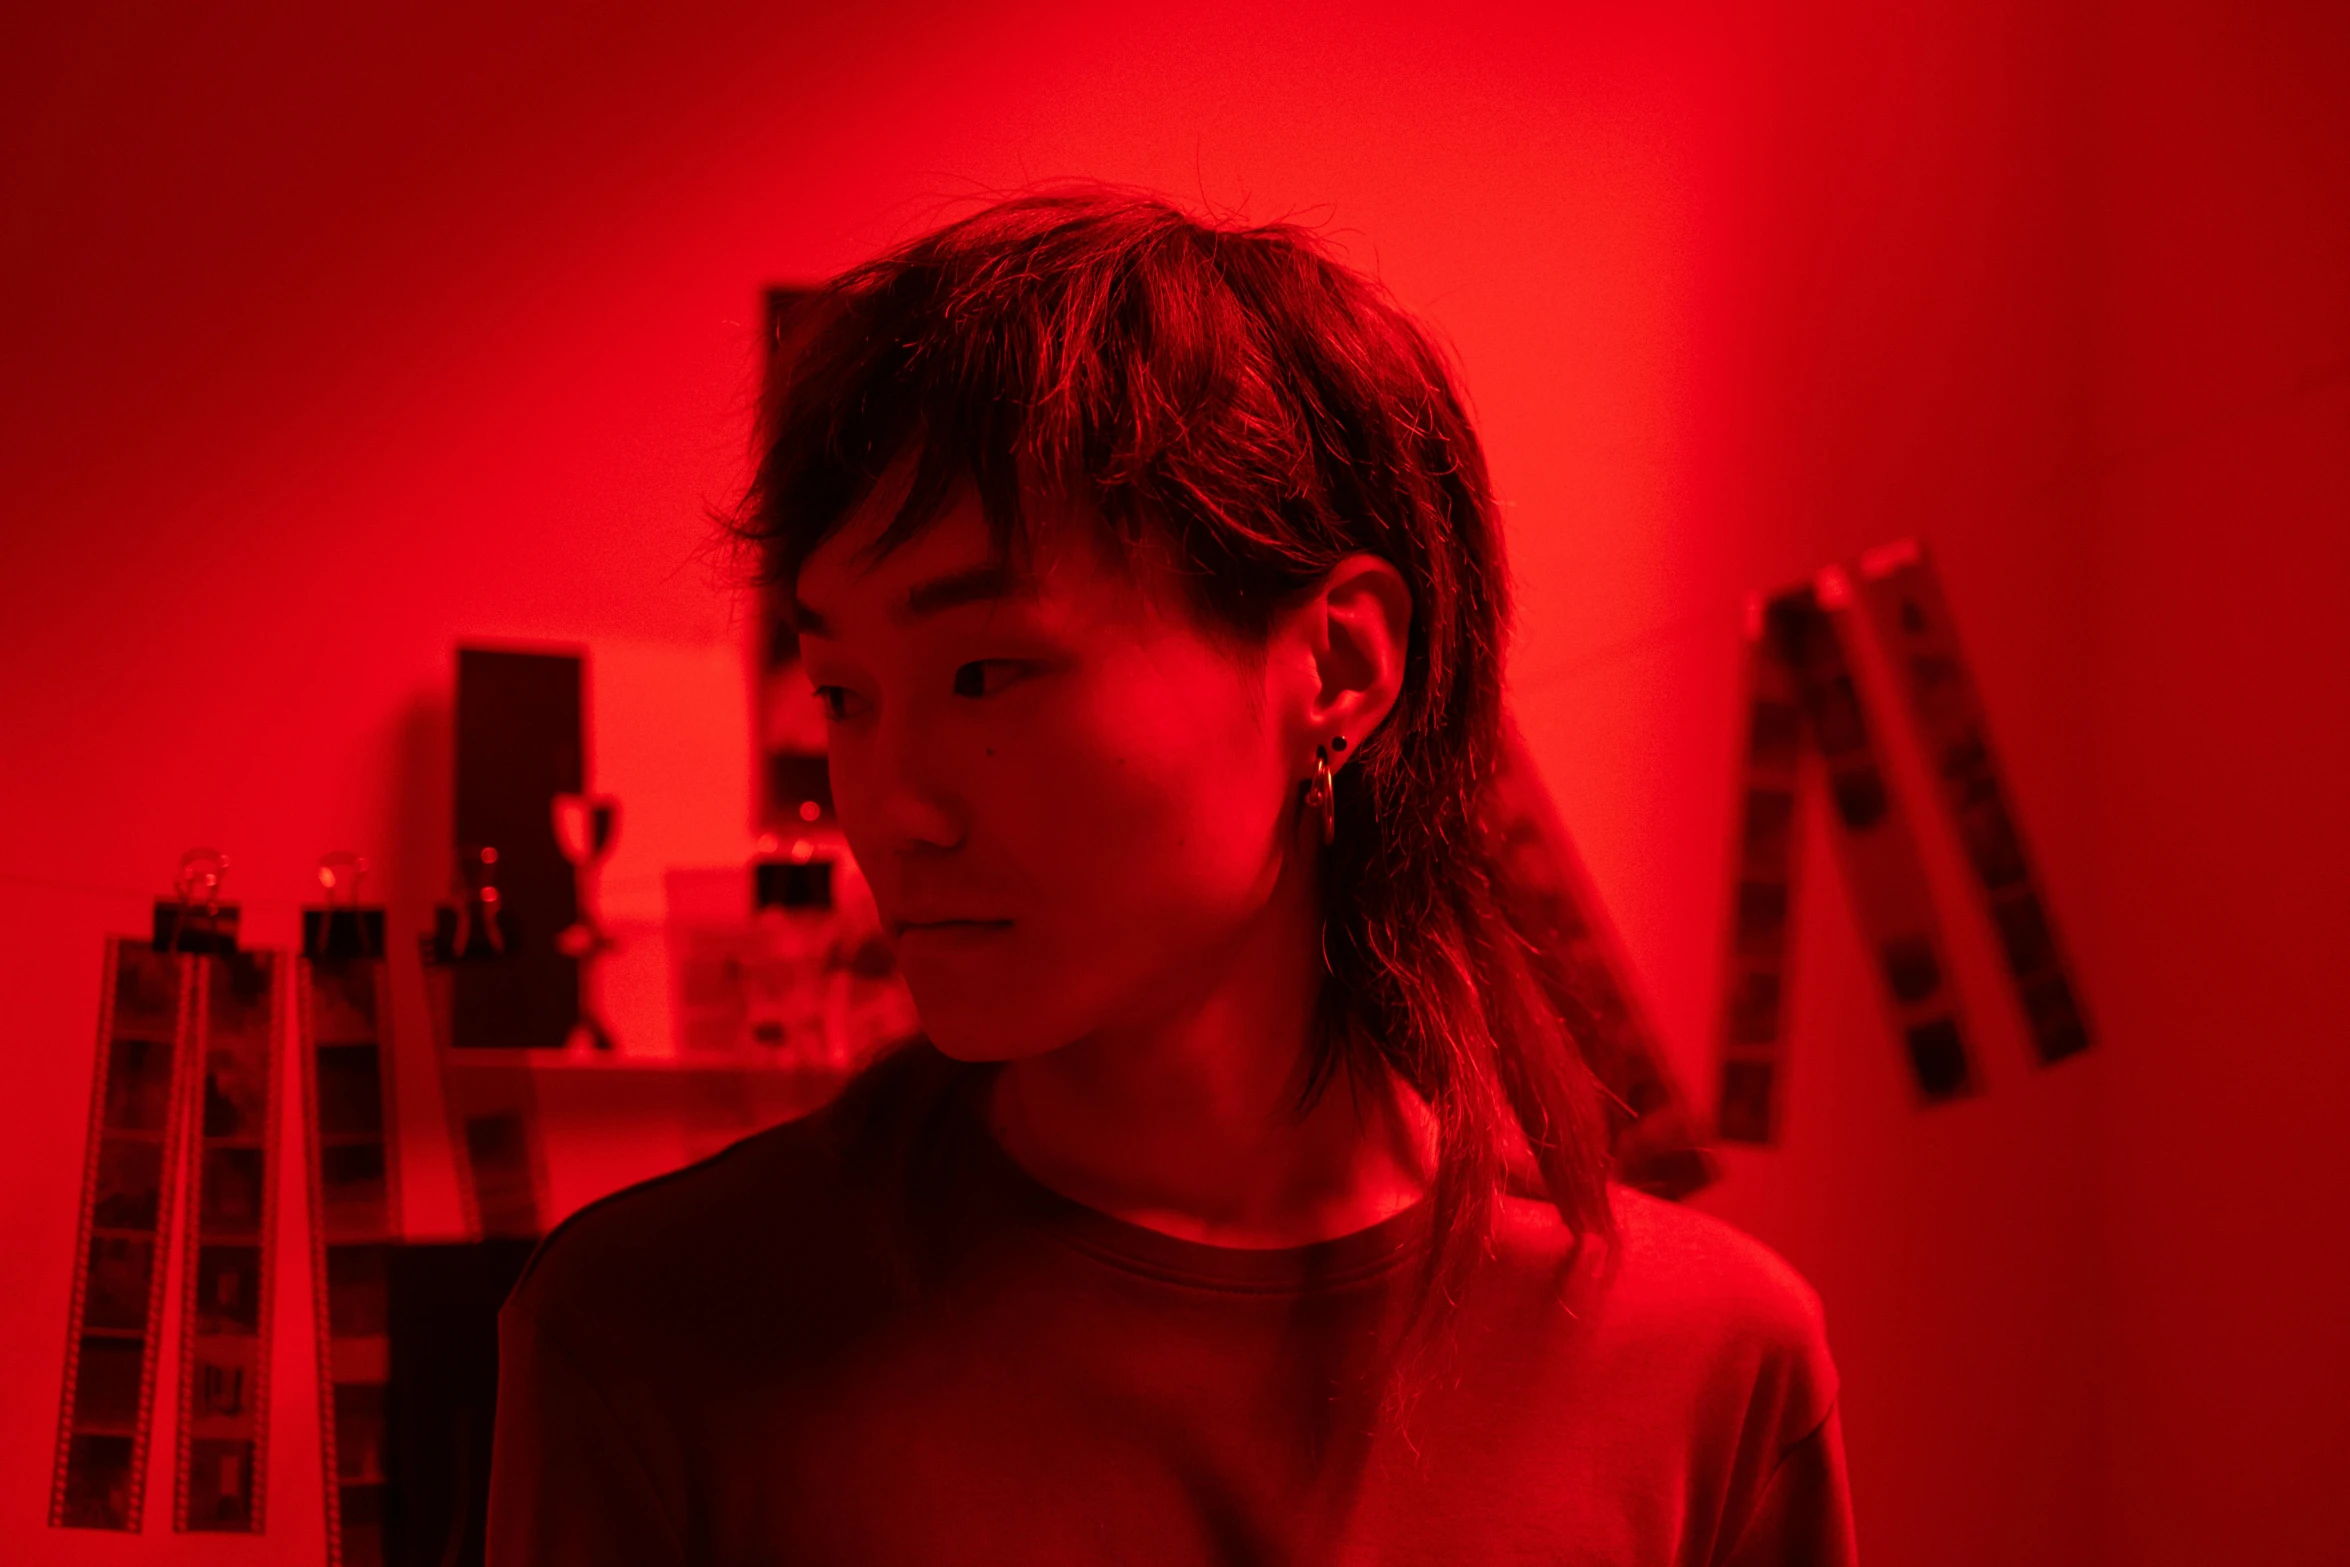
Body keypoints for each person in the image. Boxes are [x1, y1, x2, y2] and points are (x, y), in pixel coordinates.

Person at [487, 188, 1854, 1566]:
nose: (892, 807)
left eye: (984, 672)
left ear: (1339, 665)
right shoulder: (659, 1333)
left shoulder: (1699, 1368)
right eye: (843, 691)